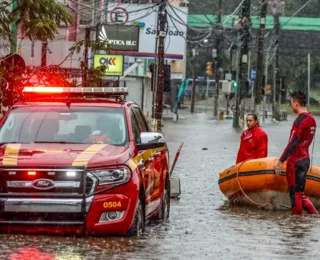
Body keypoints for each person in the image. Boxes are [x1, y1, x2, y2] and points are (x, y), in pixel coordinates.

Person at [275, 91, 318, 215]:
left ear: (296, 103)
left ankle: (295, 225)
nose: (291, 105)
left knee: (295, 195)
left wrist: (281, 160)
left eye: (291, 103)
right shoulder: (312, 120)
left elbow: (293, 142)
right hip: (305, 160)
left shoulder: (300, 120)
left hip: (295, 161)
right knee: (300, 193)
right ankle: (315, 217)